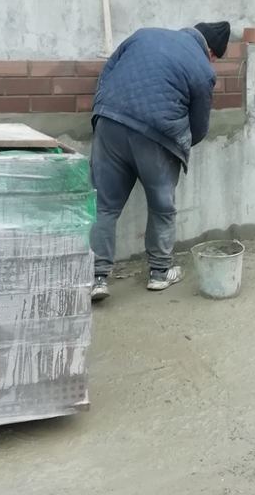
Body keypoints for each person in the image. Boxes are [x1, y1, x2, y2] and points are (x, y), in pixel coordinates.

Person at [89, 20, 231, 301]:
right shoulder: (203, 69)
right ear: (211, 52)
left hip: (109, 122)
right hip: (157, 136)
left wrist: (103, 110)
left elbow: (107, 71)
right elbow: (200, 125)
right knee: (162, 207)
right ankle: (159, 273)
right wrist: (180, 143)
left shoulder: (143, 35)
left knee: (103, 206)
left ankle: (96, 277)